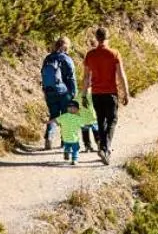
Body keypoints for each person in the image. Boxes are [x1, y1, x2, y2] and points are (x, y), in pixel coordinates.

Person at [83, 27, 130, 165]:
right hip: (110, 92)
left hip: (96, 93)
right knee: (112, 120)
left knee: (100, 120)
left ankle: (103, 148)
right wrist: (126, 93)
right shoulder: (114, 53)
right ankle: (105, 148)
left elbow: (86, 77)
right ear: (108, 37)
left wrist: (84, 94)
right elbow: (121, 75)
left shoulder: (90, 55)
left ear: (96, 38)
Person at [40, 36, 77, 149]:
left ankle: (49, 137)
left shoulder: (48, 58)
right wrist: (74, 92)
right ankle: (65, 140)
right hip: (64, 92)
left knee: (54, 115)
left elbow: (43, 74)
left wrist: (45, 91)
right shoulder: (66, 59)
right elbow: (71, 77)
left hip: (49, 91)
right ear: (66, 47)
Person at [57, 97, 89, 165]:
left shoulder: (63, 116)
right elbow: (84, 125)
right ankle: (74, 159)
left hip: (65, 138)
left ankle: (66, 151)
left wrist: (48, 122)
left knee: (67, 146)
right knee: (76, 149)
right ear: (77, 110)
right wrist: (87, 125)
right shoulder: (78, 118)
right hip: (74, 139)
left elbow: (56, 121)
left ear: (67, 109)